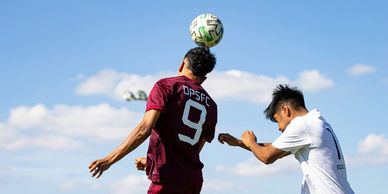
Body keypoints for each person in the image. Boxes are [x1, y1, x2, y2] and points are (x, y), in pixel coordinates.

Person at [88, 46, 218, 194]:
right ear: (205, 78)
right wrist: (151, 162)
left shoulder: (166, 86)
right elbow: (191, 151)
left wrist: (109, 160)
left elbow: (144, 129)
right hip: (192, 181)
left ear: (182, 64)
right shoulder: (212, 106)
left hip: (167, 180)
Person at [218, 84, 354, 194]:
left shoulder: (302, 124)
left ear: (285, 110)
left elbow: (267, 156)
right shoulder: (317, 122)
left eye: (278, 120)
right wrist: (240, 143)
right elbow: (275, 149)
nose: (279, 128)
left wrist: (251, 142)